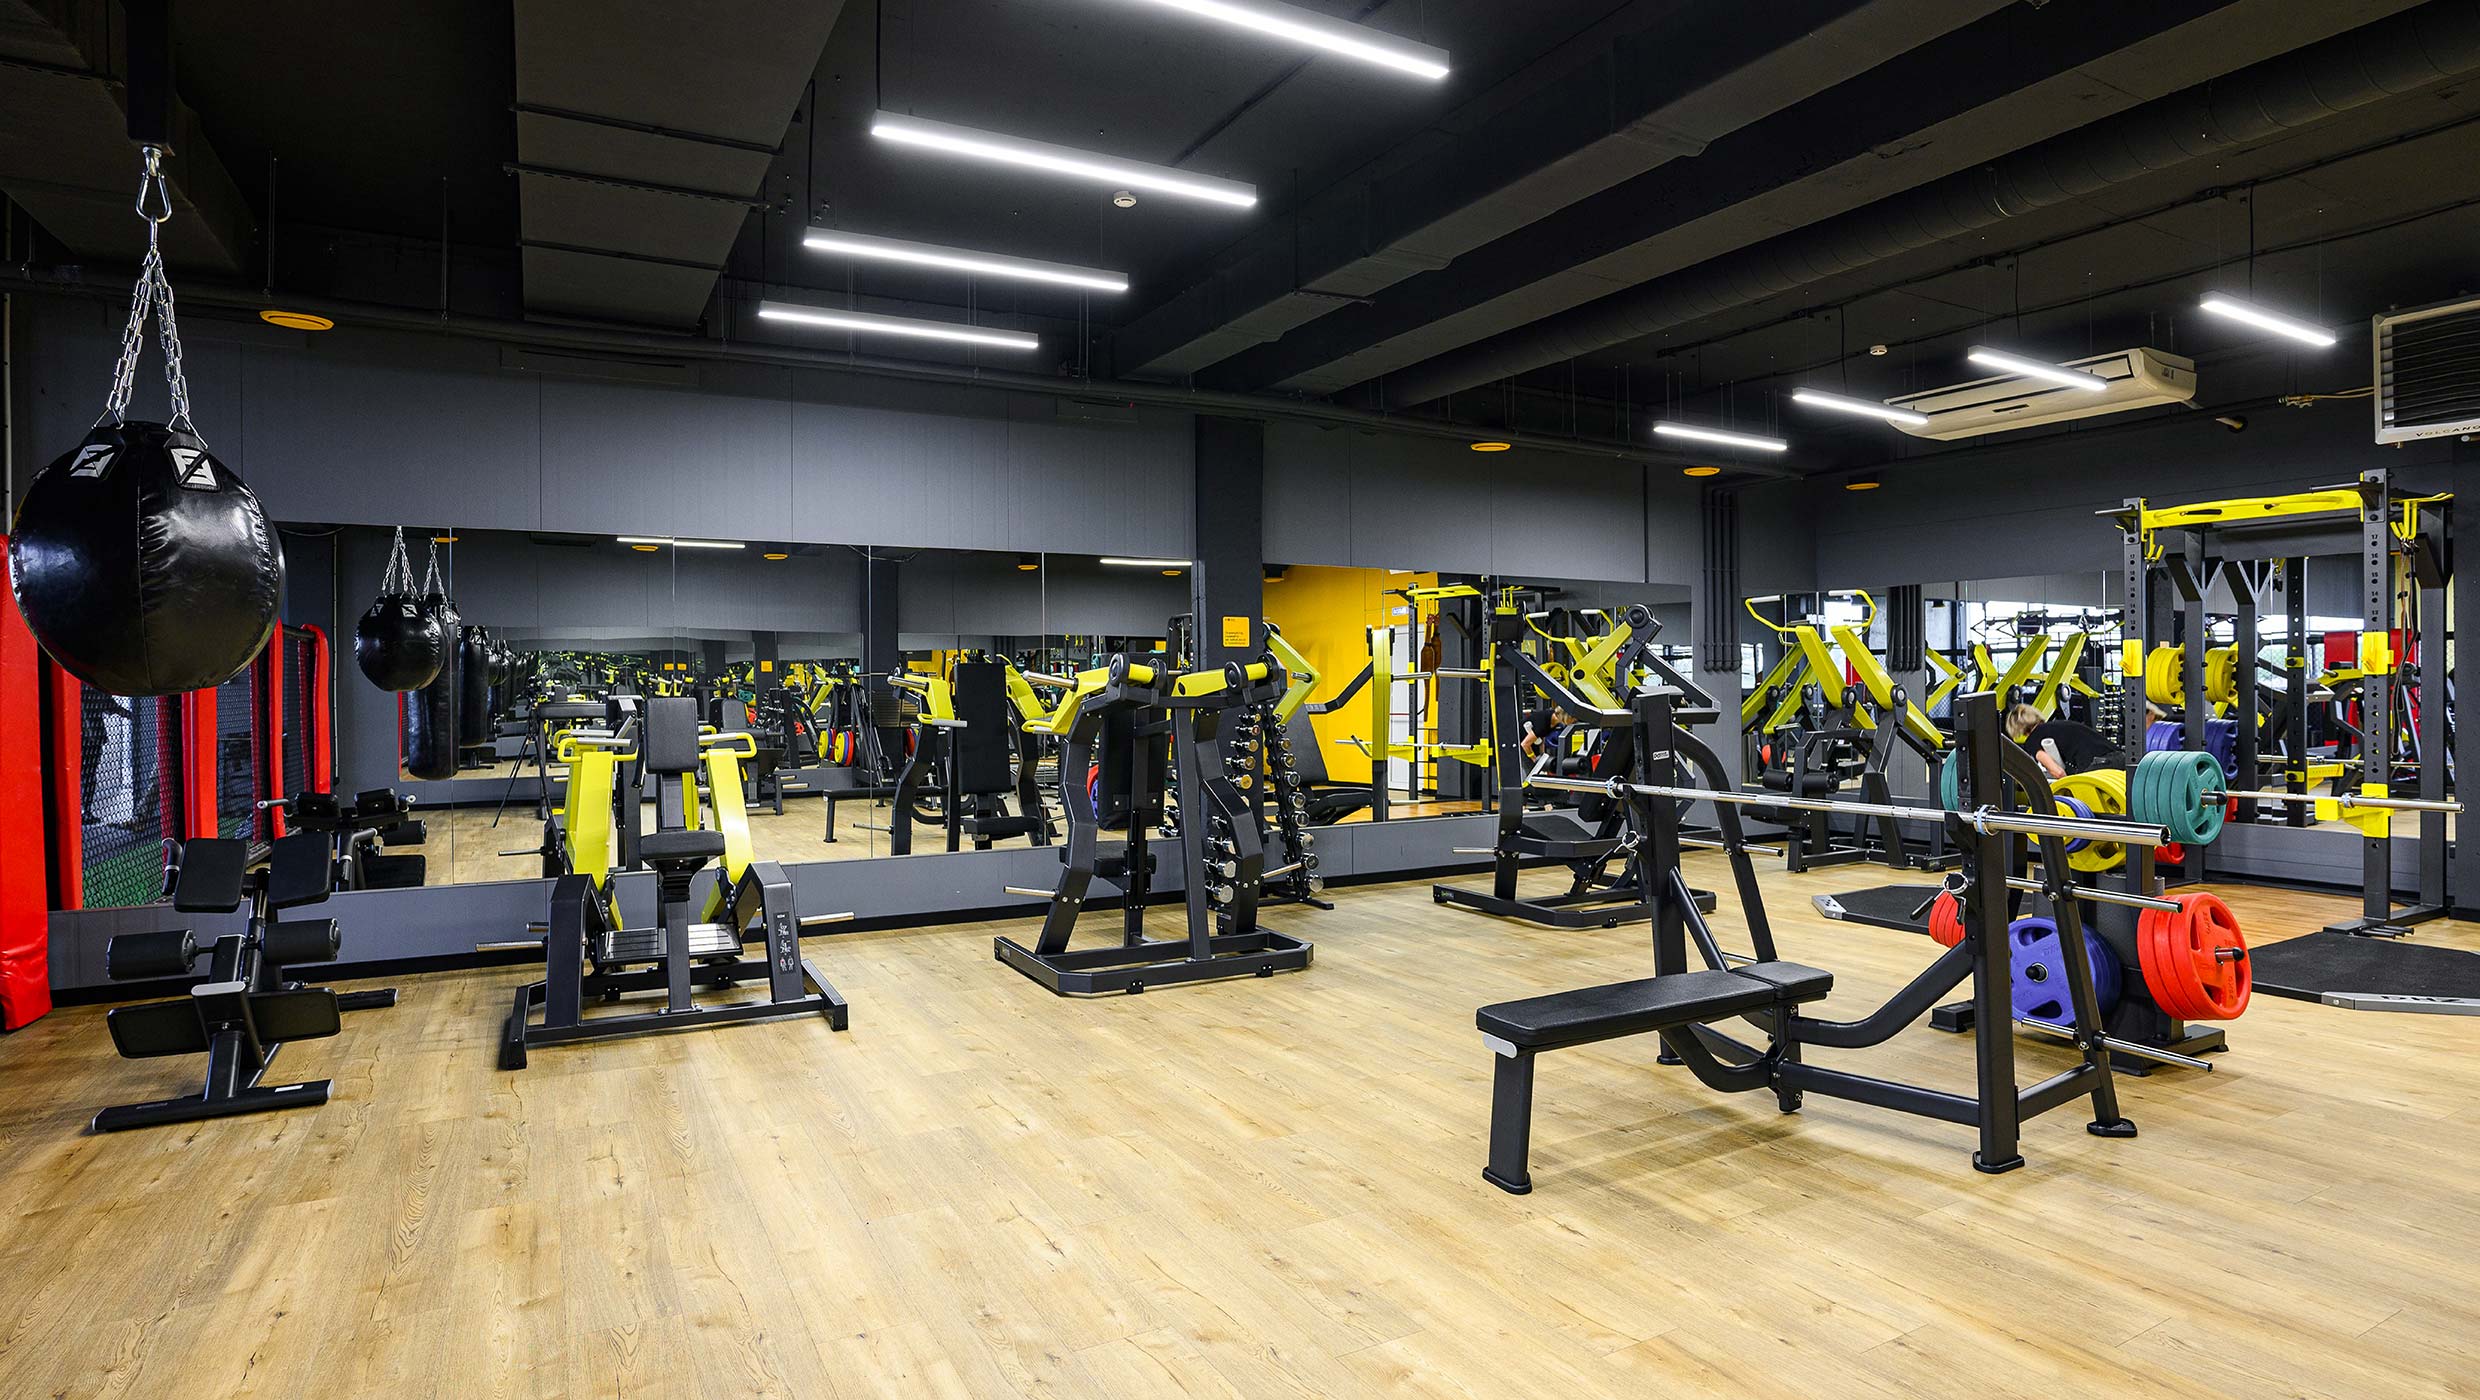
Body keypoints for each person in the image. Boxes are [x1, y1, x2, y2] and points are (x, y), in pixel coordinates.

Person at [2005, 703, 2117, 779]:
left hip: (2097, 767)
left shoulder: (2033, 740)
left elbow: (2058, 772)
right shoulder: (2059, 726)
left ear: (2016, 728)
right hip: (2118, 759)